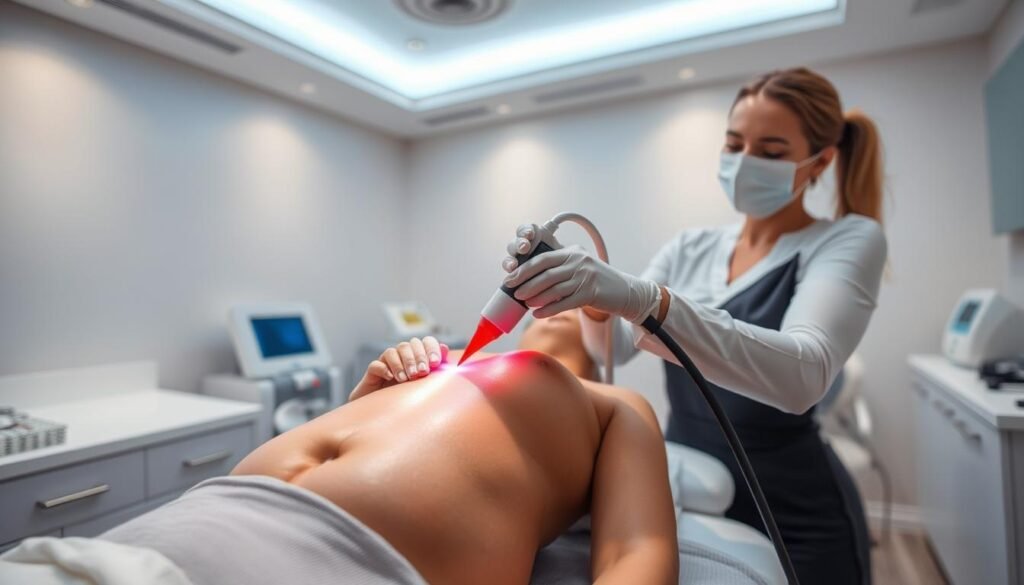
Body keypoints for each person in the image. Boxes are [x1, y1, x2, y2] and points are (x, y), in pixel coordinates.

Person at [502, 67, 887, 584]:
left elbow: (803, 376)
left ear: (819, 161)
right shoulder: (692, 247)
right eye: (734, 144)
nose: (745, 162)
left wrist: (644, 299)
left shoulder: (847, 240)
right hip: (681, 481)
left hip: (791, 507)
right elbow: (614, 346)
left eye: (771, 152)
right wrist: (592, 303)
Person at [93, 335, 677, 585]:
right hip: (199, 518)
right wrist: (369, 397)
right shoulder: (455, 356)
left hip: (357, 558)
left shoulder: (614, 402)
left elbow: (636, 553)